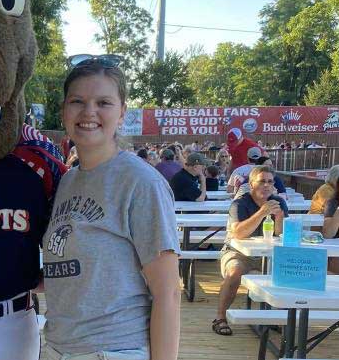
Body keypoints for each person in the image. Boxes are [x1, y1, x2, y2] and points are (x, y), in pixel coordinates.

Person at [43, 55, 180, 360]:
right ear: (64, 111)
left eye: (103, 102)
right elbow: (75, 270)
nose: (89, 112)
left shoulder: (141, 182)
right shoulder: (68, 181)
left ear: (121, 114)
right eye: (77, 101)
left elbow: (168, 293)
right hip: (57, 347)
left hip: (114, 350)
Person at [212, 165, 288, 336]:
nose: (267, 185)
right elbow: (238, 233)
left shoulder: (279, 202)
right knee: (235, 272)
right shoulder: (239, 203)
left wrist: (280, 216)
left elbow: (281, 233)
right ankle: (220, 317)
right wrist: (262, 213)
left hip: (268, 254)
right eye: (262, 181)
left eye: (270, 182)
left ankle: (279, 317)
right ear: (252, 184)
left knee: (287, 272)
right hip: (237, 251)